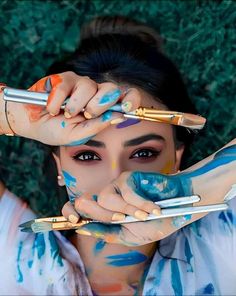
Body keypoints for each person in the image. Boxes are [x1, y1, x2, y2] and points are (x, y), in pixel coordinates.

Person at [0, 16, 235, 295]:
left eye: (144, 153)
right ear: (59, 166)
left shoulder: (223, 242)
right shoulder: (14, 255)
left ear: (178, 158)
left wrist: (197, 186)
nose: (117, 180)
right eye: (87, 156)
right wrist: (13, 114)